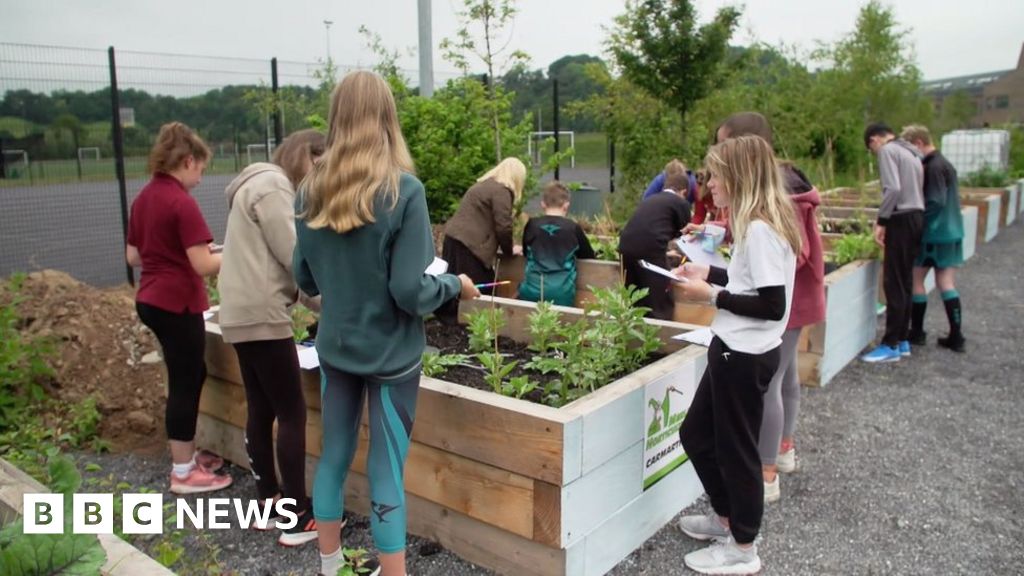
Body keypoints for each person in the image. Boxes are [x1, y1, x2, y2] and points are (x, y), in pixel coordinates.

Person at [292, 71, 480, 576]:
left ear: (336, 119)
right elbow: (411, 292)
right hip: (392, 355)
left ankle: (331, 565)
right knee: (386, 466)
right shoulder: (404, 192)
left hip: (336, 347)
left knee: (333, 454)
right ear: (386, 118)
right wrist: (454, 286)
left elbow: (303, 276)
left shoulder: (309, 192)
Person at [673, 135, 800, 575]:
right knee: (696, 435)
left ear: (739, 177)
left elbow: (771, 305)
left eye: (715, 176)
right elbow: (752, 283)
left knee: (736, 453)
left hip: (743, 356)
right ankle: (726, 518)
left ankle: (743, 549)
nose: (709, 186)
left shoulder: (761, 229)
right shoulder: (756, 224)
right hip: (732, 348)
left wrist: (710, 293)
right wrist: (710, 271)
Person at [217, 129, 325, 546]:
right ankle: (296, 517)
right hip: (263, 315)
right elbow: (296, 257)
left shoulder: (252, 185)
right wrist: (333, 304)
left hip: (239, 314)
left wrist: (318, 304)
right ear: (306, 157)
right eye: (321, 163)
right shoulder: (275, 186)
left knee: (260, 408)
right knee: (292, 412)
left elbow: (284, 267)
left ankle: (268, 503)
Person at [125, 122, 231, 494]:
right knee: (186, 382)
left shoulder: (145, 197)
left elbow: (134, 254)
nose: (201, 178)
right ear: (188, 160)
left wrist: (178, 253)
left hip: (149, 298)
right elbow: (203, 265)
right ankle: (183, 473)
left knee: (189, 374)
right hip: (176, 302)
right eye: (201, 169)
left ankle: (184, 454)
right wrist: (235, 254)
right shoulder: (181, 202)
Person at [861, 123, 925, 363]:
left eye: (871, 147)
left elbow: (893, 188)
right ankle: (902, 338)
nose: (875, 152)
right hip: (917, 216)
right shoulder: (911, 152)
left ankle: (890, 345)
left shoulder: (889, 151)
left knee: (893, 281)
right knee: (905, 279)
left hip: (901, 218)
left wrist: (882, 221)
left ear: (875, 139)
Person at [437, 157, 526, 323]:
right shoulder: (502, 190)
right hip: (470, 245)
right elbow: (503, 226)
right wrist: (509, 249)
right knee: (479, 286)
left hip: (454, 238)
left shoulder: (484, 185)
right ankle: (468, 324)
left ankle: (447, 320)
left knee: (454, 282)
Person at [902, 124, 966, 352]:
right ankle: (956, 335)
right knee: (946, 283)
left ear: (918, 143)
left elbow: (936, 201)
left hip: (932, 234)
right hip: (952, 232)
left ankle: (917, 332)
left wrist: (918, 220)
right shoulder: (946, 164)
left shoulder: (933, 166)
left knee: (916, 280)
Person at [618, 166, 691, 320]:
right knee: (659, 299)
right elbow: (684, 232)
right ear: (683, 192)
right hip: (650, 250)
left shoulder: (651, 199)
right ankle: (661, 337)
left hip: (625, 247)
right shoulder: (680, 203)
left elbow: (649, 228)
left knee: (633, 297)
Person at [517, 181, 596, 306]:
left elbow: (526, 253)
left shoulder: (531, 225)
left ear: (543, 204)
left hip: (531, 291)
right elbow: (588, 256)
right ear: (566, 205)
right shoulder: (573, 228)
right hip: (562, 294)